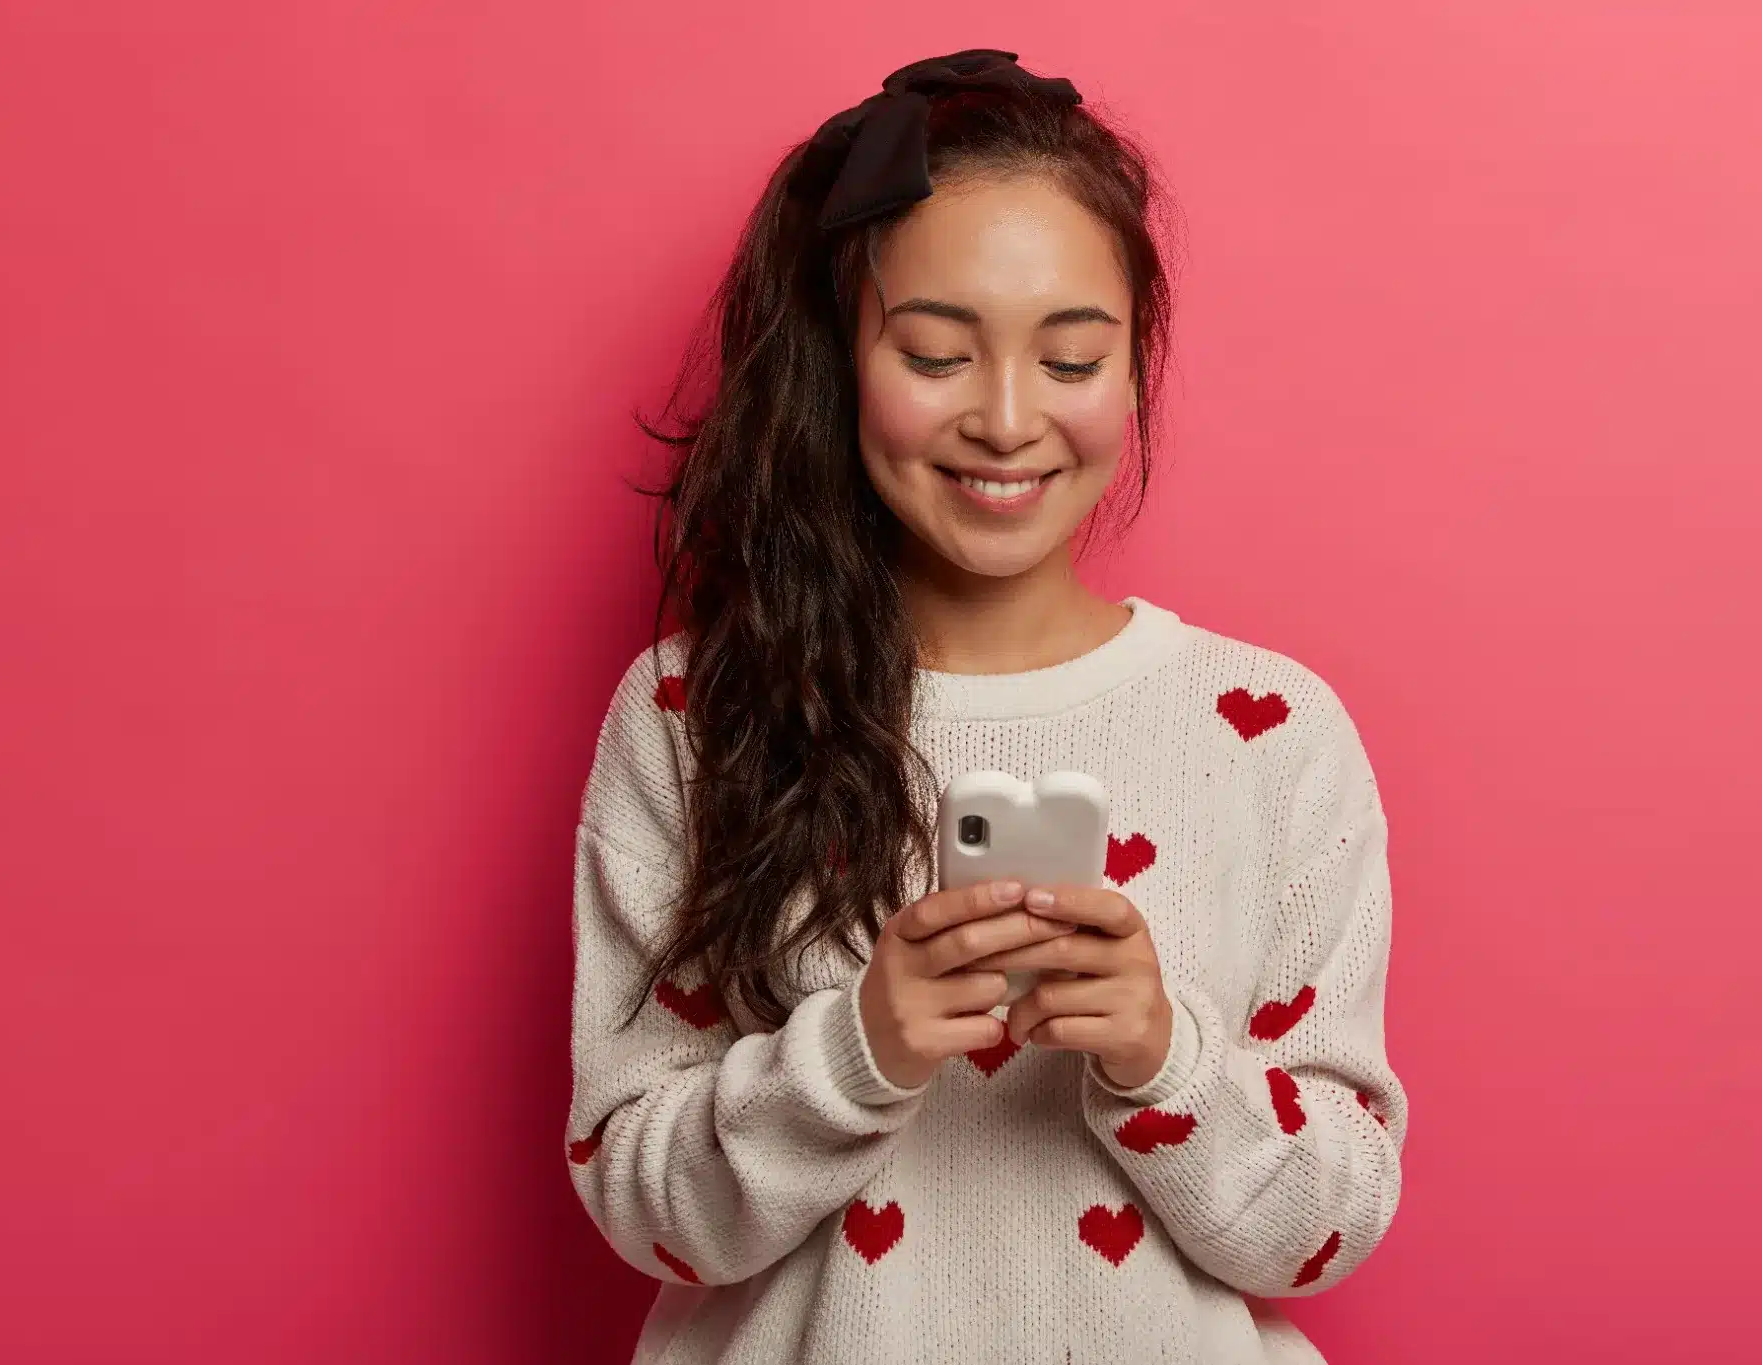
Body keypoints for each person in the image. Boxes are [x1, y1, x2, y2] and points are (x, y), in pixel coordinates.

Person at [566, 48, 1406, 1364]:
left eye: (1071, 359)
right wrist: (858, 1050)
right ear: (841, 361)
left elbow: (1328, 1227)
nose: (1008, 420)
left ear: (1135, 371)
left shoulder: (1270, 732)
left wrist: (1163, 1057)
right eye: (938, 354)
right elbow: (642, 1207)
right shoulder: (695, 711)